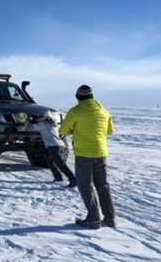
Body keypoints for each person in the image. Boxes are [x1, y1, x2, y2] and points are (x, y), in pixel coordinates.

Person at [60, 85, 115, 229]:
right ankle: (109, 218)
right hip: (101, 152)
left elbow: (63, 130)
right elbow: (110, 131)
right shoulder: (104, 111)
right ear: (92, 96)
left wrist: (74, 130)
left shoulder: (76, 111)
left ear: (78, 97)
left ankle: (93, 218)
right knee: (102, 185)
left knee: (85, 186)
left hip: (84, 153)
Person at [31, 114, 77, 188]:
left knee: (60, 164)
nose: (38, 120)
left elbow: (32, 127)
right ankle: (58, 177)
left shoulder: (43, 125)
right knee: (50, 161)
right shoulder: (53, 125)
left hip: (54, 147)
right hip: (59, 145)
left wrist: (30, 121)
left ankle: (73, 179)